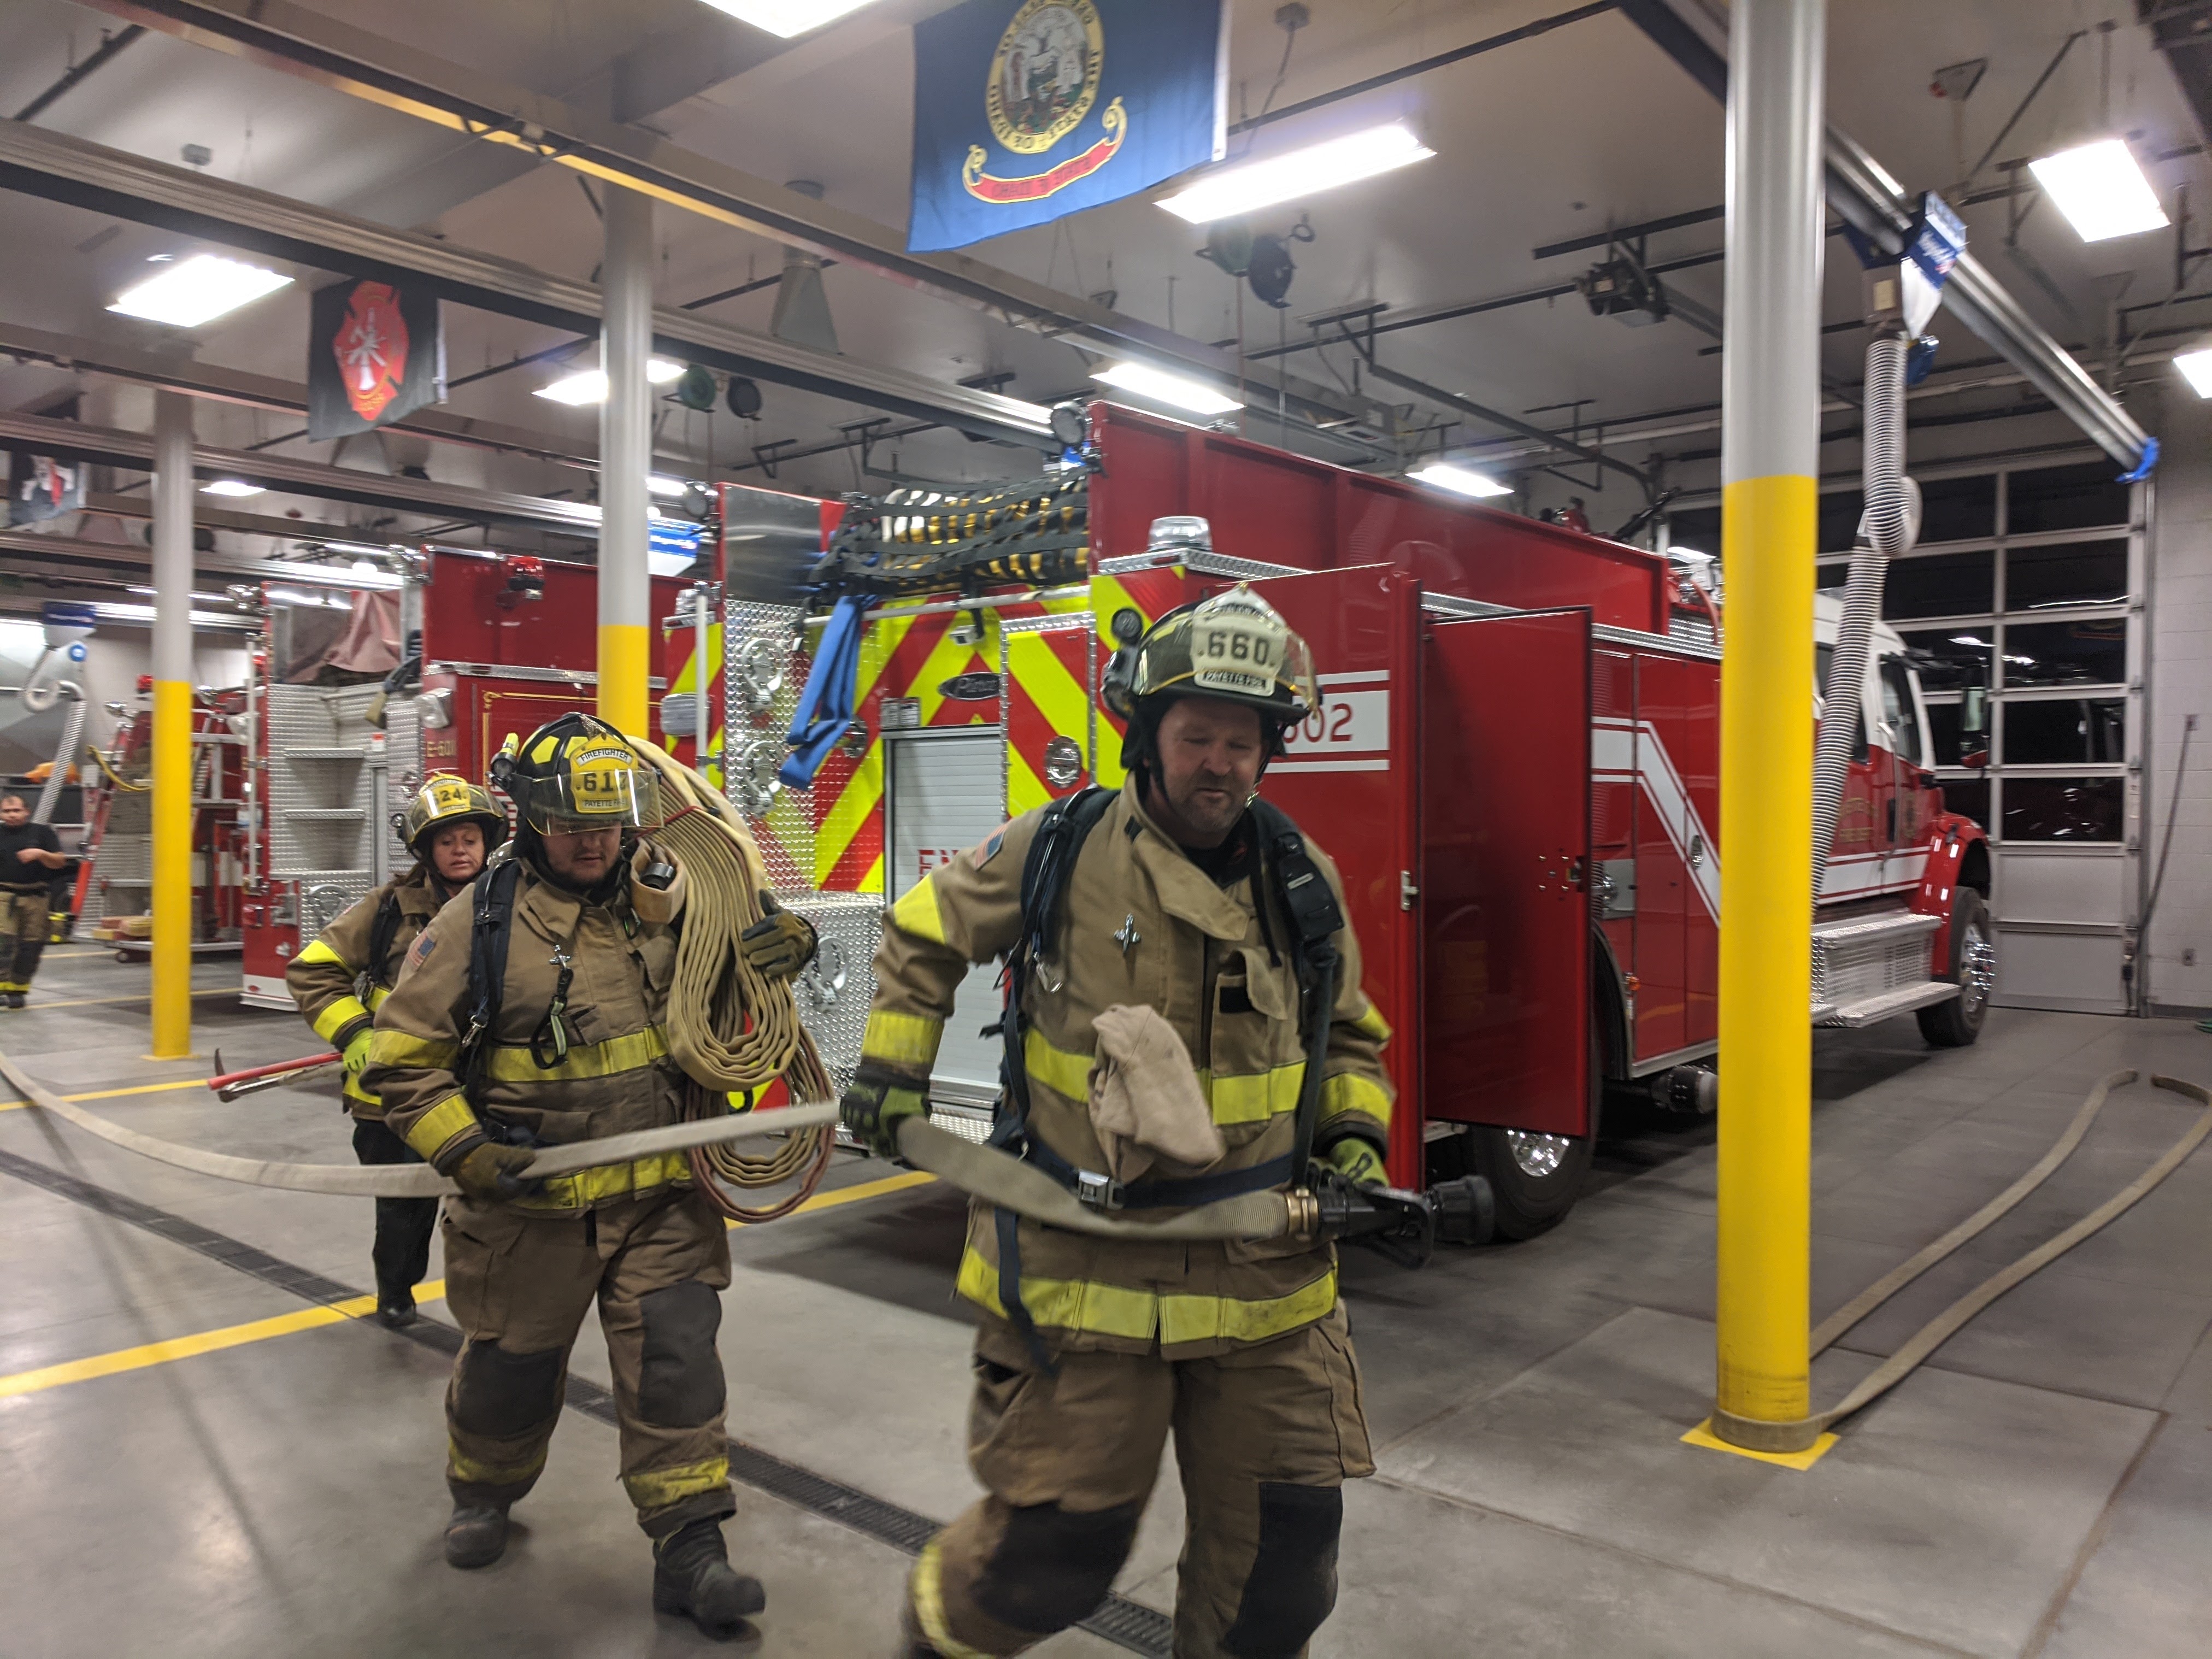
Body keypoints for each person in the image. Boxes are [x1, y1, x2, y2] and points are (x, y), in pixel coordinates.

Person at [843, 586, 1397, 1659]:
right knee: (1047, 1563)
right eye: (1196, 736)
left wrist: (1352, 1140)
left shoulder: (1300, 879)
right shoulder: (1059, 848)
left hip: (1265, 1277)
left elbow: (1348, 1037)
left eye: (1242, 743)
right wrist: (892, 1071)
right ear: (1147, 736)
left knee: (1280, 1581)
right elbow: (921, 930)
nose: (1218, 764)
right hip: (1081, 1265)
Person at [363, 713, 817, 1636]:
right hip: (529, 1213)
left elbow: (739, 964)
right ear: (531, 822)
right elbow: (401, 1064)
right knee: (510, 1375)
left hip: (664, 1200)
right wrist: (468, 1151)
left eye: (606, 827)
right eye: (571, 827)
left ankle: (691, 1549)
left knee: (677, 1365)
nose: (592, 844)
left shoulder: (678, 897)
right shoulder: (476, 923)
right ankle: (483, 1490)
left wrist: (786, 946)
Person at [285, 775, 507, 1327]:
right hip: (395, 1097)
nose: (460, 850)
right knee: (405, 1207)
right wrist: (355, 1033)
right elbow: (313, 970)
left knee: (492, 1202)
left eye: (470, 839)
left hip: (486, 1089)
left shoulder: (512, 903)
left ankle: (492, 1308)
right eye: (447, 841)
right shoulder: (388, 908)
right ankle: (397, 1290)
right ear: (426, 850)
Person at [0, 792, 70, 1008]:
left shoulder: (43, 833)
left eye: (16, 810)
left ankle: (18, 989)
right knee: (3, 944)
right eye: (7, 811)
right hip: (5, 897)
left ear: (27, 812)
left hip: (36, 898)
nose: (12, 815)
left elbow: (59, 862)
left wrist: (40, 854)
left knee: (31, 946)